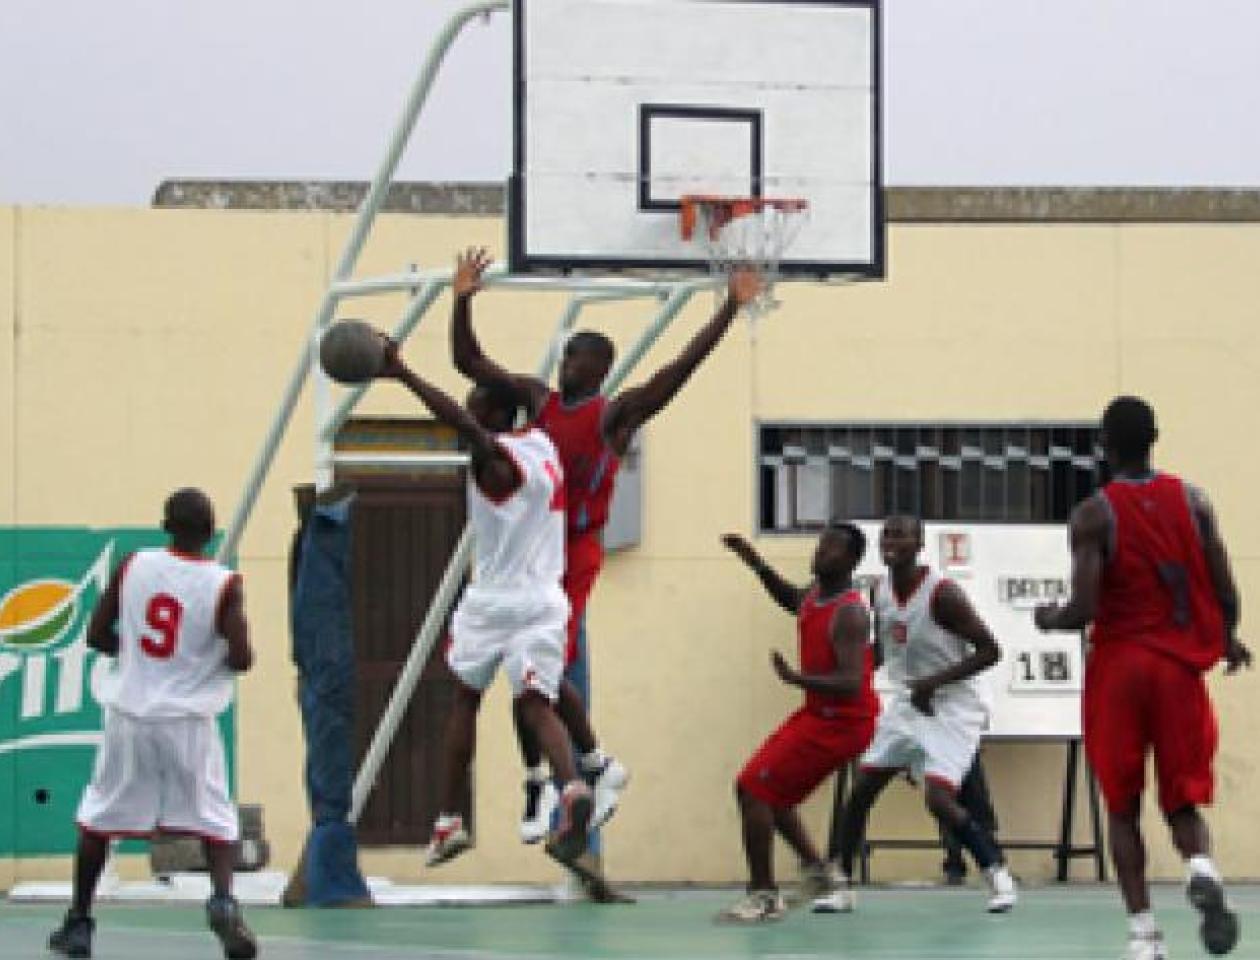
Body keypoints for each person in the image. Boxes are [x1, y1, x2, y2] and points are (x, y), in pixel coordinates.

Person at [450, 247, 762, 840]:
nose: (569, 363)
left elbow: (679, 370)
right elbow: (467, 359)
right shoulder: (537, 402)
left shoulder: (614, 416)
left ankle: (564, 776)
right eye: (568, 353)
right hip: (527, 551)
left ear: (601, 369)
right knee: (527, 672)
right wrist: (462, 298)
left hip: (575, 551)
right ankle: (554, 777)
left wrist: (727, 309)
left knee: (541, 673)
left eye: (582, 359)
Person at [1034, 395, 1251, 960]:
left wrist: (1048, 617)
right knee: (1182, 801)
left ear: (1104, 445)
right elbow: (1226, 587)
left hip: (1121, 670)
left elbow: (1082, 609)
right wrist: (1226, 638)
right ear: (1156, 436)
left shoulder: (1092, 514)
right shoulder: (1195, 501)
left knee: (1122, 806)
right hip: (1179, 670)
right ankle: (1200, 866)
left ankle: (1145, 937)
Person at [374, 341, 594, 872]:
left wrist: (403, 372)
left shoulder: (497, 463)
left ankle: (450, 817)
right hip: (546, 597)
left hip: (495, 600)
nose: (468, 415)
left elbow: (458, 421)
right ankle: (571, 788)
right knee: (538, 705)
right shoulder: (544, 445)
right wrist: (463, 302)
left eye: (476, 409)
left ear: (493, 416)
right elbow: (480, 365)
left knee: (465, 701)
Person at [49, 488, 258, 960]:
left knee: (100, 819)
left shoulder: (133, 564)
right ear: (209, 531)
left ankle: (79, 922)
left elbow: (97, 634)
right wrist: (204, 656)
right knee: (216, 820)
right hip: (187, 719)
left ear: (166, 525)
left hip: (131, 713)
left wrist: (138, 659)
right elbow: (243, 659)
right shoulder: (224, 583)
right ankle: (223, 901)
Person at [830, 515, 1017, 914]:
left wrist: (933, 682)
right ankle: (841, 885)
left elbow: (990, 650)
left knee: (939, 800)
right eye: (886, 536)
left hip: (953, 703)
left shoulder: (943, 594)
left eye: (900, 535)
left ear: (919, 544)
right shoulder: (879, 589)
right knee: (861, 790)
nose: (891, 541)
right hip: (908, 701)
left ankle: (997, 873)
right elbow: (886, 649)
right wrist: (855, 676)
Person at [716, 526, 880, 923]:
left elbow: (851, 681)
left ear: (852, 561)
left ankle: (764, 895)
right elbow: (791, 598)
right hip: (818, 714)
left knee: (753, 788)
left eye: (831, 548)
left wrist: (797, 679)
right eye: (821, 544)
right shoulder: (815, 594)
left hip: (843, 722)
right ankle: (817, 872)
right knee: (771, 794)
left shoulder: (851, 612)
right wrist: (756, 564)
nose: (820, 551)